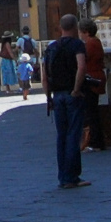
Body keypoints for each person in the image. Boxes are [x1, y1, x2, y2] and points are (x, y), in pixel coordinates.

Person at [43, 14, 92, 188]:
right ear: (75, 26)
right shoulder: (77, 45)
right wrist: (76, 89)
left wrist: (48, 96)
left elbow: (44, 76)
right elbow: (81, 66)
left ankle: (63, 176)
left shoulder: (51, 48)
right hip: (71, 94)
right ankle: (71, 176)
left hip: (57, 95)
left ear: (60, 27)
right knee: (73, 134)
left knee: (61, 136)